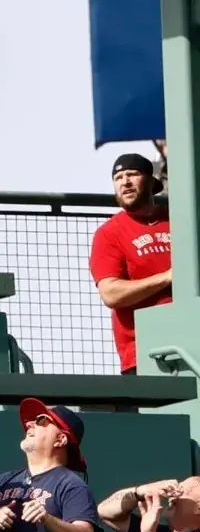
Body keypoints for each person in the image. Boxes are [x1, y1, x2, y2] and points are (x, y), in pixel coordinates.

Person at [0, 398, 101, 532]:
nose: (29, 424)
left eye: (42, 420)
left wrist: (48, 519)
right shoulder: (1, 482)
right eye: (31, 421)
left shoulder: (72, 485)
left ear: (60, 439)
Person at [89, 152, 171, 374]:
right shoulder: (109, 233)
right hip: (144, 355)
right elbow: (111, 293)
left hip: (191, 339)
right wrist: (167, 277)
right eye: (118, 177)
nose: (124, 182)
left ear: (151, 181)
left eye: (132, 174)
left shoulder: (180, 219)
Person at [98, 476, 200, 532]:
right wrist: (140, 491)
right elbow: (103, 511)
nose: (172, 497)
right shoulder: (155, 531)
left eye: (181, 492)